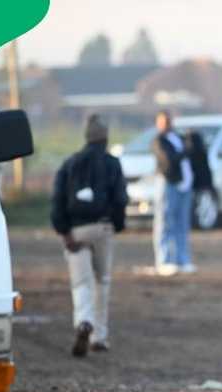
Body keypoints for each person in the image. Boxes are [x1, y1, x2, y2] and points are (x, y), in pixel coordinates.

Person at [51, 115, 128, 357]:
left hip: (77, 230)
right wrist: (117, 224)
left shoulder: (69, 164)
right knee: (101, 281)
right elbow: (120, 198)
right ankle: (99, 337)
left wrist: (64, 232)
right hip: (103, 228)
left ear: (86, 137)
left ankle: (84, 321)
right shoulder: (112, 163)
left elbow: (57, 201)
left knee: (81, 282)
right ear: (105, 138)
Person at [151, 110, 194, 276]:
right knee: (165, 222)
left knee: (181, 223)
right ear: (158, 123)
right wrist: (184, 151)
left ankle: (182, 260)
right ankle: (164, 260)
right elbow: (168, 160)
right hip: (168, 183)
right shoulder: (158, 141)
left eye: (169, 120)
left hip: (184, 184)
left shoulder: (177, 138)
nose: (167, 124)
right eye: (163, 121)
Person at [185, 128, 215, 254]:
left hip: (195, 186)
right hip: (202, 186)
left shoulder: (190, 153)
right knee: (200, 208)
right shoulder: (202, 152)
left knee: (196, 208)